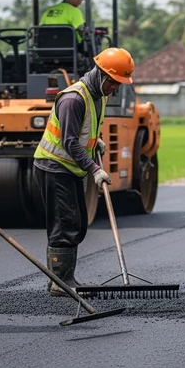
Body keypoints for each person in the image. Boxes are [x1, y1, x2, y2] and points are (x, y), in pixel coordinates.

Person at [33, 47, 134, 296]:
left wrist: (95, 140)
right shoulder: (73, 99)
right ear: (100, 74)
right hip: (54, 166)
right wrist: (94, 169)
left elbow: (82, 130)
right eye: (113, 82)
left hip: (70, 168)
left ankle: (64, 278)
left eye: (119, 83)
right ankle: (60, 282)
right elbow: (68, 141)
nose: (115, 88)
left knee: (77, 224)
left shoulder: (98, 95)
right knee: (65, 224)